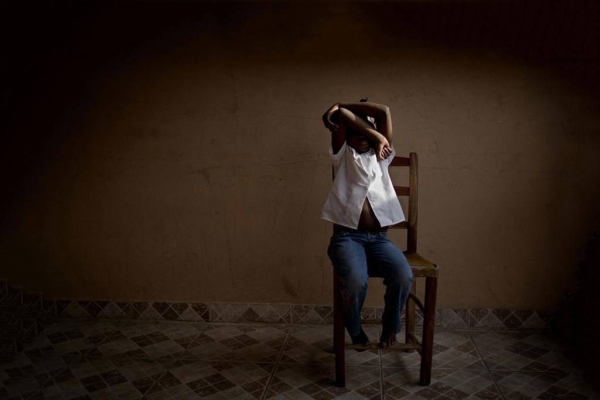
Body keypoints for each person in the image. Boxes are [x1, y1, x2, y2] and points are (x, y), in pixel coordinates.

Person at [321, 100, 414, 347]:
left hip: (379, 241)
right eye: (356, 132)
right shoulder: (342, 155)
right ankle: (353, 326)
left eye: (368, 132)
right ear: (347, 135)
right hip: (347, 238)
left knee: (403, 275)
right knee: (354, 280)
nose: (362, 137)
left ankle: (390, 326)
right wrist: (344, 111)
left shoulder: (382, 156)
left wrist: (378, 138)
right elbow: (342, 116)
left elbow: (384, 111)